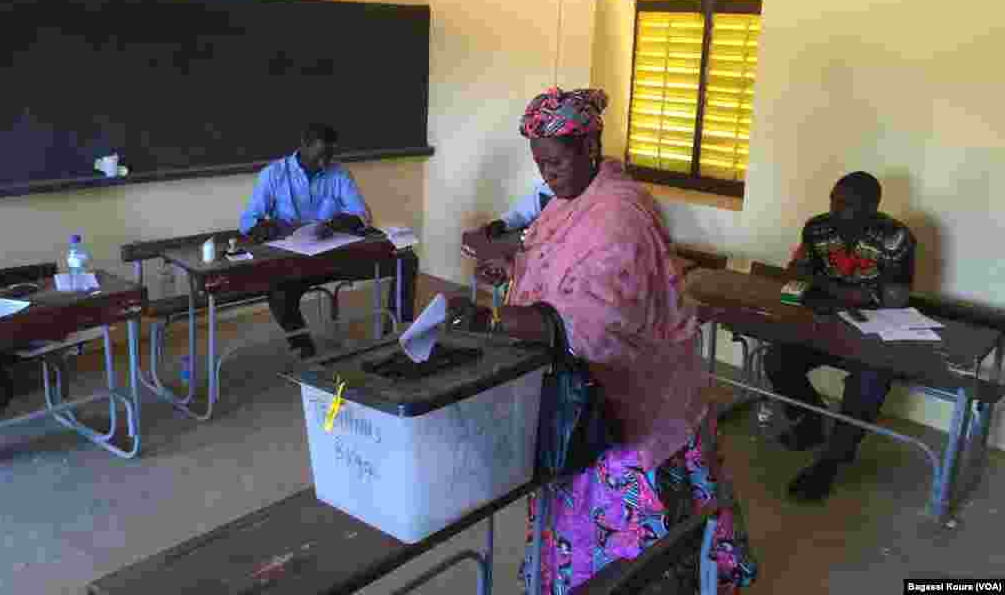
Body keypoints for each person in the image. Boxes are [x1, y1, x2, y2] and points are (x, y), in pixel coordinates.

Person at [447, 87, 756, 594]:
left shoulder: (620, 214)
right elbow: (554, 266)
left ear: (590, 147)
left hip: (633, 407)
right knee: (575, 522)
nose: (545, 174)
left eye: (554, 162)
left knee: (636, 559)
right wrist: (513, 267)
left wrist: (494, 318)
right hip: (588, 393)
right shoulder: (570, 202)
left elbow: (592, 323)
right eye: (539, 164)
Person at [764, 171, 916, 502]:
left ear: (872, 207)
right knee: (777, 359)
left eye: (846, 203)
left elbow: (893, 300)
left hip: (876, 334)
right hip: (828, 325)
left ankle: (831, 461)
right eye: (834, 199)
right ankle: (810, 422)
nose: (835, 209)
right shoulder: (818, 227)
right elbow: (796, 272)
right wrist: (852, 292)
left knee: (868, 383)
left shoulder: (895, 238)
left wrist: (825, 287)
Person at [239, 123, 417, 358]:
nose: (325, 162)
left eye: (330, 155)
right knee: (278, 292)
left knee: (405, 259)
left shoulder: (339, 173)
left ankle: (396, 333)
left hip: (337, 257)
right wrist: (275, 227)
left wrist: (337, 224)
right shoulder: (274, 174)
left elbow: (361, 215)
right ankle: (304, 349)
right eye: (320, 155)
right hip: (296, 261)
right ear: (304, 147)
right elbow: (248, 222)